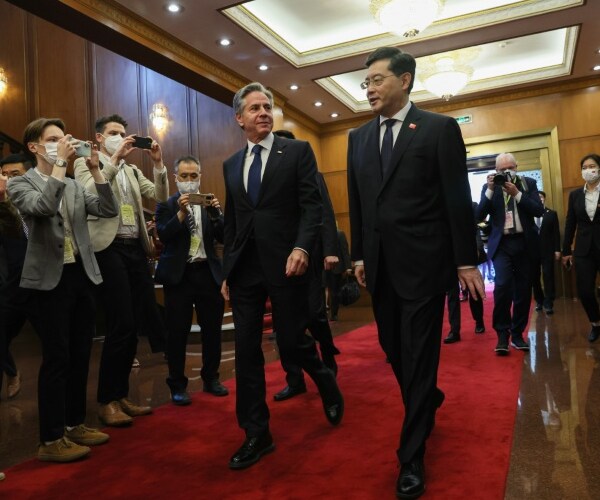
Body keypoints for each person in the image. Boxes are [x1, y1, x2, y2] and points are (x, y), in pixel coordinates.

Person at [347, 47, 484, 499]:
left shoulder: (438, 129)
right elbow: (359, 202)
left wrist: (465, 260)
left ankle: (411, 457)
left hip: (425, 264)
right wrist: (359, 256)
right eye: (366, 82)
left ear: (404, 80)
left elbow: (456, 198)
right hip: (380, 265)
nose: (369, 89)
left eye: (377, 80)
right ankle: (427, 398)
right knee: (394, 350)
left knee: (421, 355)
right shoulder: (357, 138)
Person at [221, 82, 344, 470]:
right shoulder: (230, 165)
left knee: (291, 341)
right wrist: (226, 271)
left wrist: (303, 247)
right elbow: (233, 221)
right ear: (239, 118)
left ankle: (323, 378)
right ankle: (257, 432)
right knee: (246, 351)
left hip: (288, 263)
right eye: (254, 108)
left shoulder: (297, 152)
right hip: (245, 270)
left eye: (267, 106)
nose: (263, 112)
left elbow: (312, 207)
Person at [8, 117, 118, 462]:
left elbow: (108, 208)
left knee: (81, 353)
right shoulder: (20, 183)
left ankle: (74, 423)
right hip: (48, 281)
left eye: (63, 138)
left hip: (80, 275)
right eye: (53, 139)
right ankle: (51, 438)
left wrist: (97, 170)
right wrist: (58, 166)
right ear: (34, 146)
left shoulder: (72, 184)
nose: (62, 144)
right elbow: (42, 207)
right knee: (57, 357)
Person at [74, 114, 169, 427]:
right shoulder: (85, 162)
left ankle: (121, 394)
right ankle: (106, 401)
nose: (120, 136)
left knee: (134, 324)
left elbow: (160, 197)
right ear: (100, 138)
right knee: (121, 323)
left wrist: (157, 163)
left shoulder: (132, 169)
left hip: (134, 248)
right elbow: (89, 192)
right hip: (108, 247)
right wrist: (113, 159)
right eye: (113, 132)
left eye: (123, 132)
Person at [271, 129, 341, 402]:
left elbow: (324, 212)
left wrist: (330, 250)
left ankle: (329, 361)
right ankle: (294, 379)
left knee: (314, 314)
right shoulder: (266, 175)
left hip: (308, 254)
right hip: (277, 257)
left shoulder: (312, 173)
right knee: (283, 323)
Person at [154, 155, 228, 405]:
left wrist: (216, 214)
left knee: (212, 330)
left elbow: (225, 236)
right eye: (184, 176)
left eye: (193, 175)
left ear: (200, 177)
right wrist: (181, 213)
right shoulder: (166, 204)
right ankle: (177, 384)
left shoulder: (209, 203)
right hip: (179, 277)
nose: (189, 180)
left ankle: (211, 378)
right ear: (175, 178)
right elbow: (163, 235)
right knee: (177, 333)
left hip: (208, 273)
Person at [477, 152, 544, 355]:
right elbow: (479, 215)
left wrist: (517, 194)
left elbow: (538, 210)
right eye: (502, 169)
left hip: (525, 244)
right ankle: (502, 334)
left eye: (510, 168)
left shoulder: (528, 183)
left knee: (523, 290)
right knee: (502, 286)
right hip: (502, 245)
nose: (506, 171)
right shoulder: (490, 187)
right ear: (496, 170)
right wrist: (490, 189)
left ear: (517, 167)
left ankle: (517, 334)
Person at [0, 154, 35, 400]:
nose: (9, 180)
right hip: (10, 287)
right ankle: (12, 372)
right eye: (4, 175)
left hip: (41, 284)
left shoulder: (37, 203)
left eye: (15, 175)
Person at [562, 154, 600, 342]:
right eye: (584, 167)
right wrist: (566, 250)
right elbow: (570, 222)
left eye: (592, 166)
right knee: (585, 291)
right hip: (584, 249)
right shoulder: (575, 195)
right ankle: (596, 323)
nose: (588, 170)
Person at [532, 190, 561, 315]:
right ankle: (539, 301)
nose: (540, 199)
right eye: (537, 197)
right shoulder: (529, 214)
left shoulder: (552, 214)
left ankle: (549, 302)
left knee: (548, 275)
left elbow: (556, 233)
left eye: (541, 197)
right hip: (532, 251)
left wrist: (557, 249)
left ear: (544, 199)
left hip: (548, 250)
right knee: (535, 277)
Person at [326, 228, 352, 321]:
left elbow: (345, 250)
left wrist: (348, 267)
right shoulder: (321, 235)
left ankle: (334, 314)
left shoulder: (339, 234)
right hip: (323, 269)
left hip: (336, 268)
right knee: (322, 290)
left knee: (334, 292)